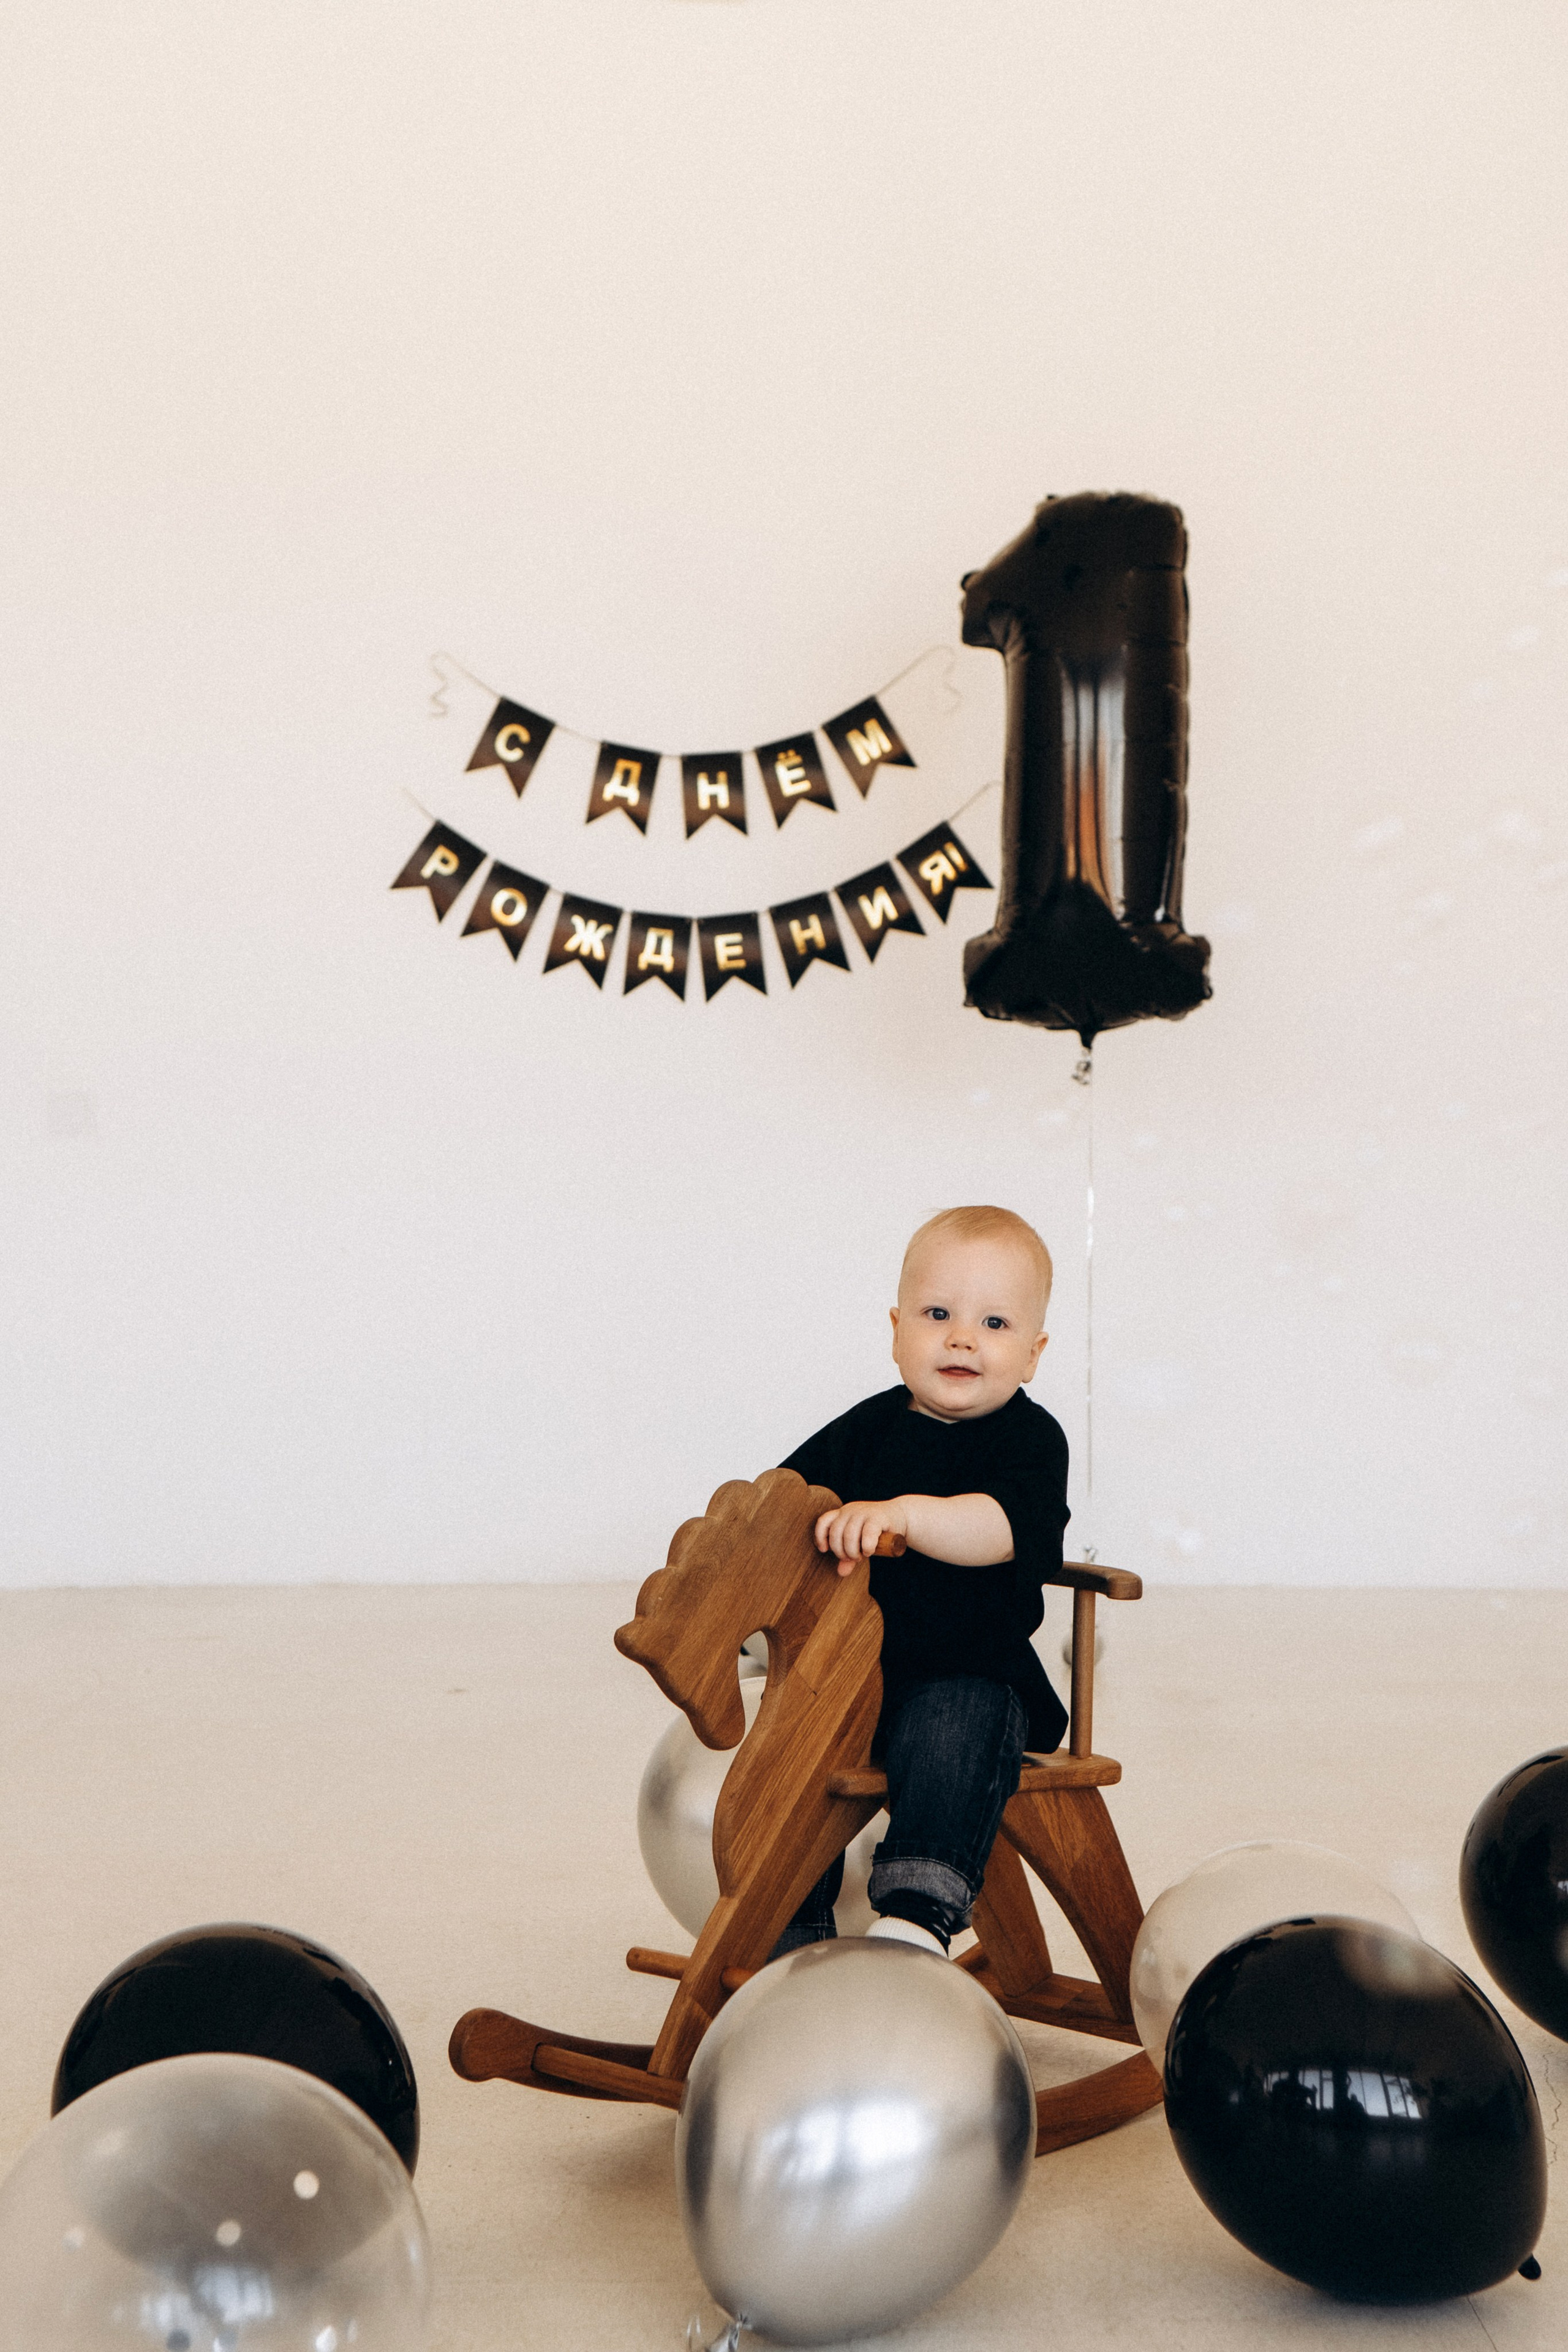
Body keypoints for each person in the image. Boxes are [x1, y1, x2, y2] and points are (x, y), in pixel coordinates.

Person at [775, 1204, 1071, 1958]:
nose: (962, 1337)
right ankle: (789, 1925)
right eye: (938, 1314)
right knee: (789, 1746)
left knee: (952, 1733)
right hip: (851, 1675)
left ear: (1032, 1354)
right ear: (897, 1329)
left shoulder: (1029, 1440)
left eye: (995, 1323)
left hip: (969, 1672)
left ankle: (916, 1912)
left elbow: (1005, 1528)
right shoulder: (867, 1429)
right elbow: (786, 1499)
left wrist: (902, 1514)